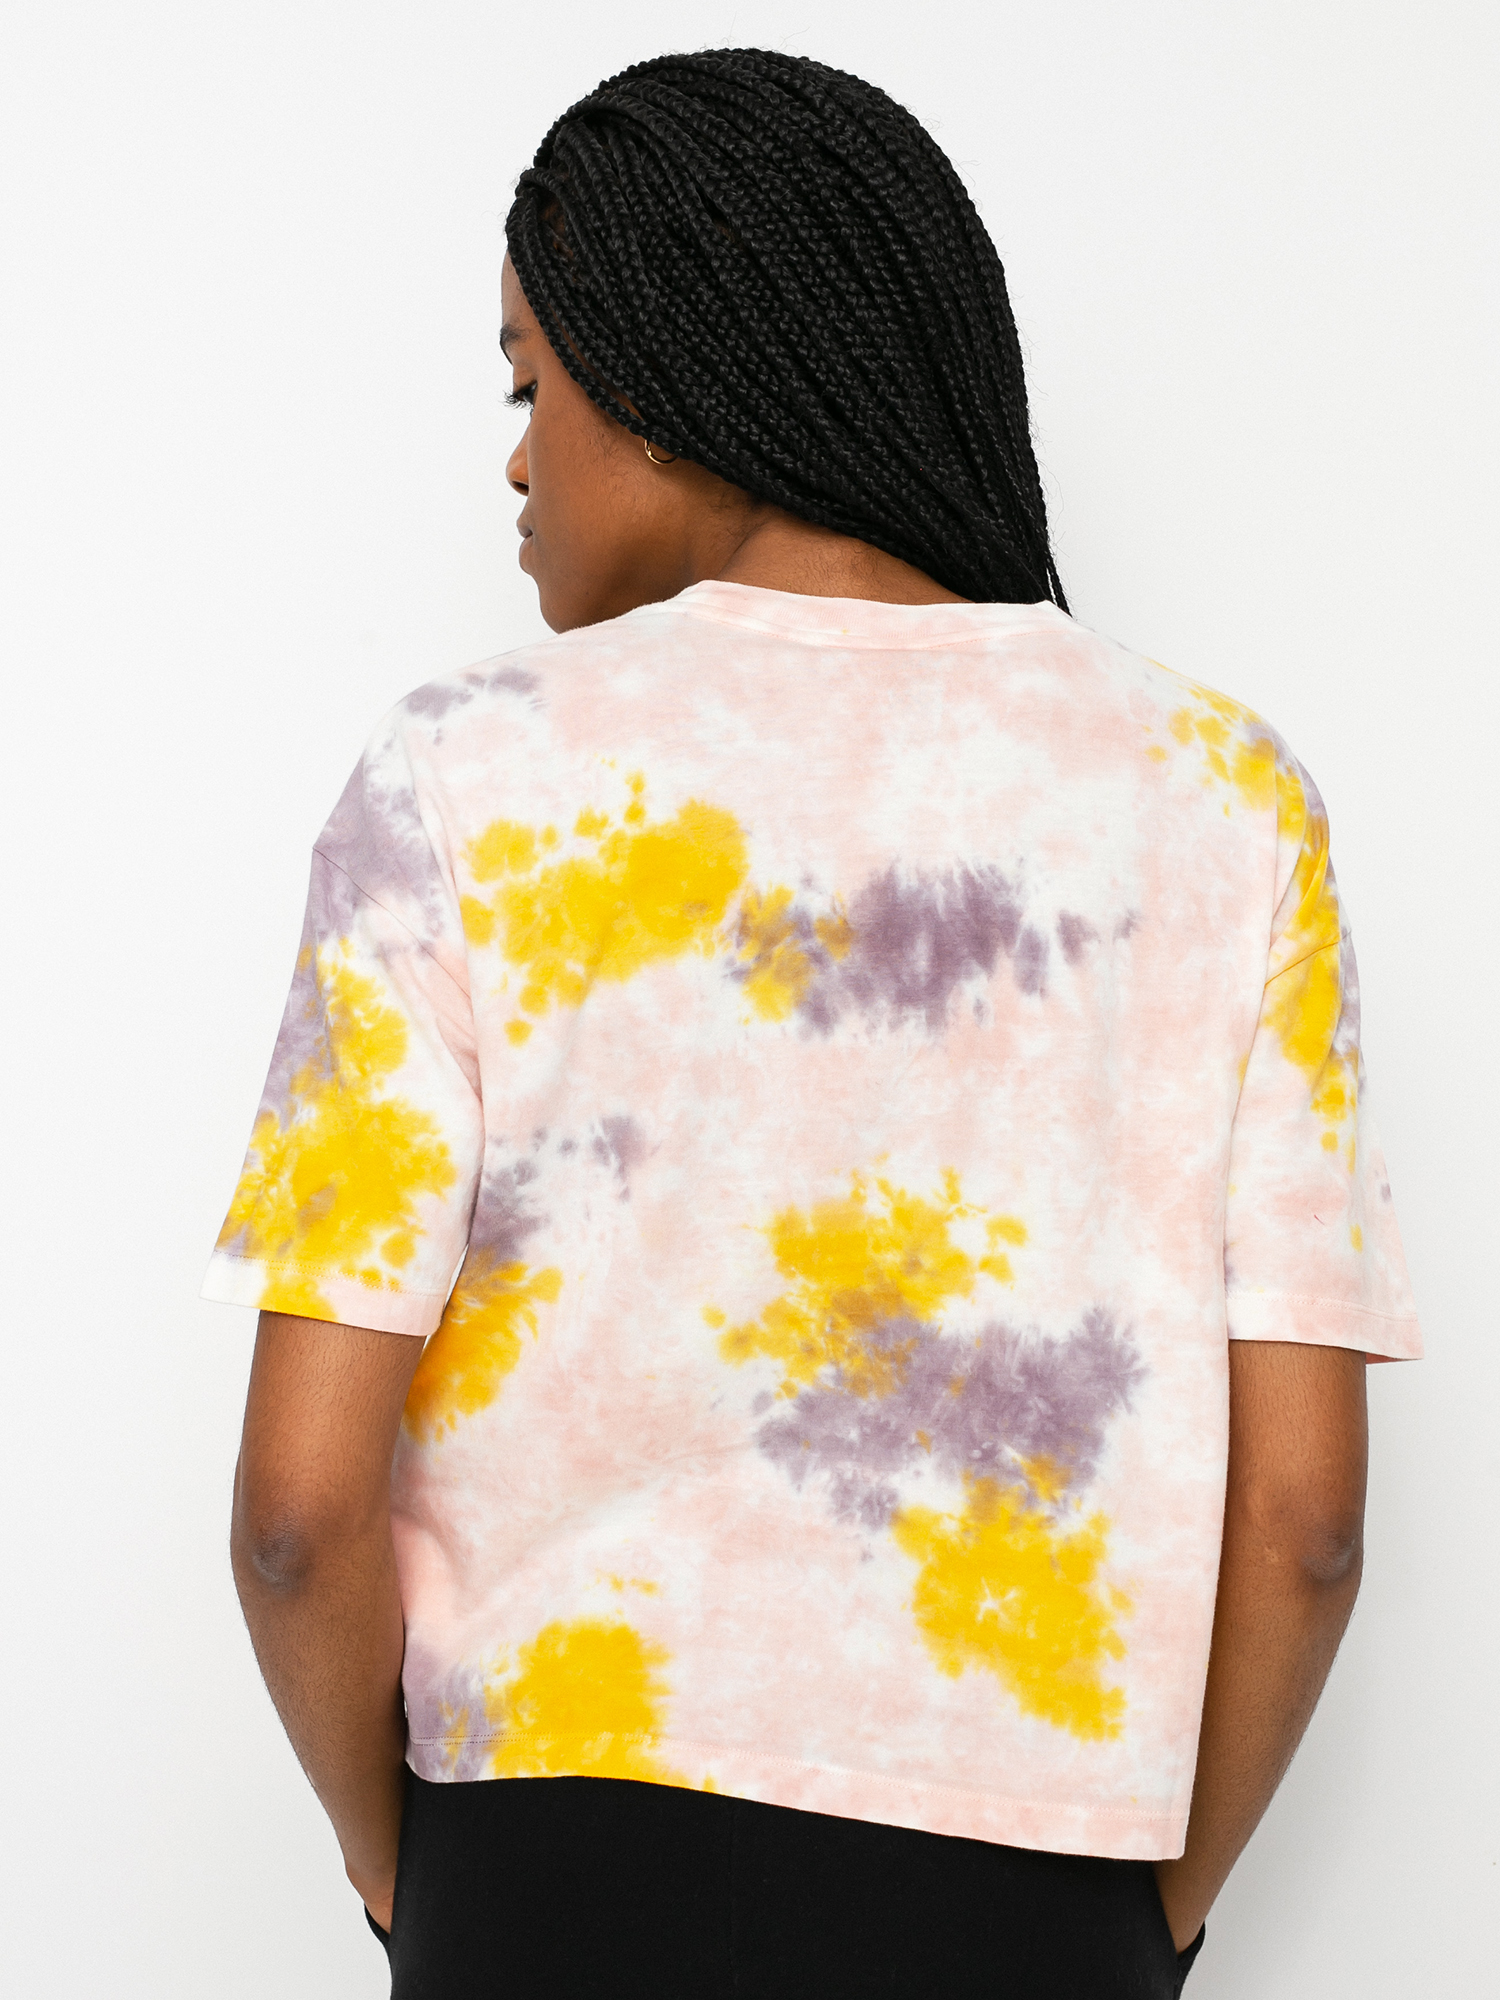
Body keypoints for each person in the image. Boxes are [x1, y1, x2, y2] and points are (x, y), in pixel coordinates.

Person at [206, 48, 1421, 1999]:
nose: (516, 462)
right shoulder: (1222, 796)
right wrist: (1143, 1925)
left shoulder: (463, 775)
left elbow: (295, 1514)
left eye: (530, 384)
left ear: (667, 368)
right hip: (1035, 1890)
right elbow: (1307, 1523)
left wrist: (407, 1884)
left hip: (540, 1875)